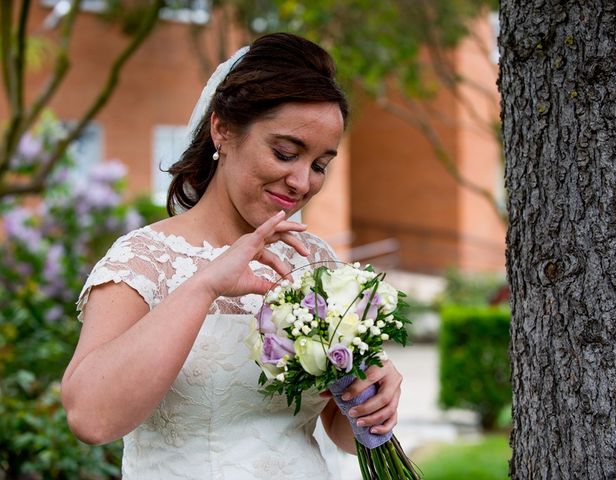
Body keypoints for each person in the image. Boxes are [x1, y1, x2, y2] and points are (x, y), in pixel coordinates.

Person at [61, 32, 403, 479]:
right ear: (222, 129)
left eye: (320, 164)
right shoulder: (144, 261)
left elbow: (338, 430)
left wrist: (371, 397)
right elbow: (91, 418)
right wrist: (205, 285)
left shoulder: (313, 261)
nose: (302, 181)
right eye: (285, 152)